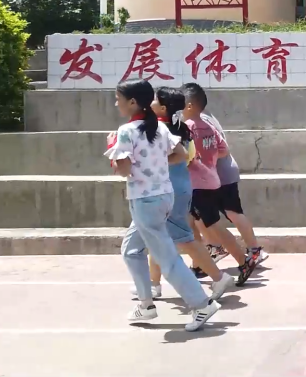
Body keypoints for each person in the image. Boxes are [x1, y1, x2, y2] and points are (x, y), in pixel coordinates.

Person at [106, 79, 221, 331]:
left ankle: (202, 304)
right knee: (131, 250)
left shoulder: (126, 131)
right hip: (163, 196)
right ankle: (146, 304)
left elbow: (123, 169)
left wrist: (113, 149)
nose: (116, 104)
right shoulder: (159, 127)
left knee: (166, 258)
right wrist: (153, 164)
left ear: (132, 102)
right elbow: (181, 154)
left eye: (118, 99)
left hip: (145, 201)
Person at [140, 87, 235, 301]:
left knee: (185, 240)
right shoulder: (181, 128)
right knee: (159, 238)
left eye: (155, 100)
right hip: (180, 187)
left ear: (163, 108)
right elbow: (190, 156)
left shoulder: (161, 131)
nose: (150, 102)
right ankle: (153, 284)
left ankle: (218, 277)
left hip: (170, 190)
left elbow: (177, 157)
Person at [182, 83, 258, 286]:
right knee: (201, 224)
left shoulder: (187, 127)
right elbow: (223, 149)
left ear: (189, 106)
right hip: (212, 181)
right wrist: (209, 158)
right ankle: (204, 261)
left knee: (213, 227)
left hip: (197, 184)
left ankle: (242, 261)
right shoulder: (208, 126)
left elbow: (184, 156)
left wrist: (195, 160)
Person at [199, 99, 267, 266]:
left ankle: (254, 250)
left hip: (221, 174)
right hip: (219, 173)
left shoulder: (202, 121)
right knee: (206, 215)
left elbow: (221, 149)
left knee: (232, 212)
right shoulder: (206, 117)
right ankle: (218, 248)